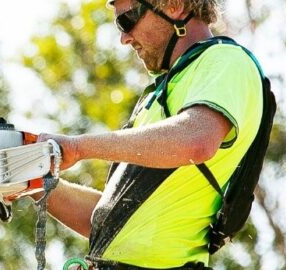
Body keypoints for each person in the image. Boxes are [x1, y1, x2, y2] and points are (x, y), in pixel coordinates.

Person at [33, 0, 267, 268]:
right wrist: (30, 179)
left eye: (127, 20)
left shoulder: (227, 60)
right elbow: (106, 220)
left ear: (174, 6)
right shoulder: (160, 95)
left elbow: (197, 141)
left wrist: (79, 147)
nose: (123, 38)